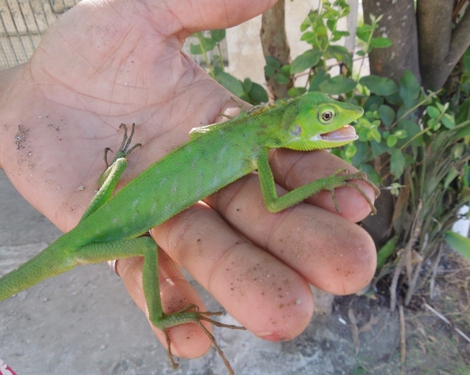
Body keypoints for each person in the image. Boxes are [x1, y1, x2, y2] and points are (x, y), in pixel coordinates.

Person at [0, 0, 376, 362]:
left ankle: (117, 167)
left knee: (131, 217)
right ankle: (163, 317)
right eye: (327, 116)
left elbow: (198, 133)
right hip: (80, 246)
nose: (342, 119)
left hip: (95, 217)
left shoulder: (250, 137)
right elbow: (274, 204)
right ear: (293, 128)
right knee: (147, 249)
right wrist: (322, 184)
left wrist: (119, 164)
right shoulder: (259, 149)